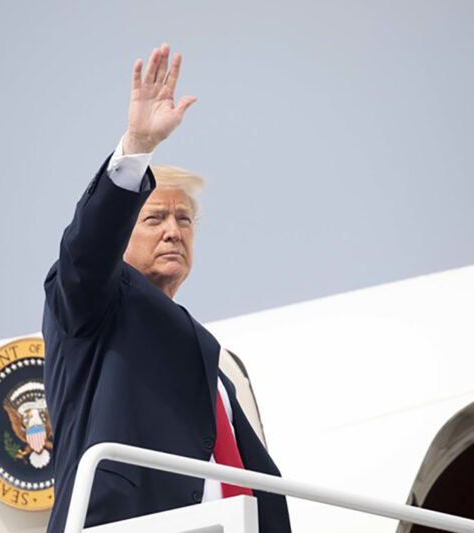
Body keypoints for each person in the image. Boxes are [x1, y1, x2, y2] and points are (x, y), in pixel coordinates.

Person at [42, 42, 291, 533]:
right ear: (123, 231)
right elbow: (87, 251)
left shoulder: (213, 369)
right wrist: (136, 146)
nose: (173, 230)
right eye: (154, 217)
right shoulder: (92, 304)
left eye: (184, 219)